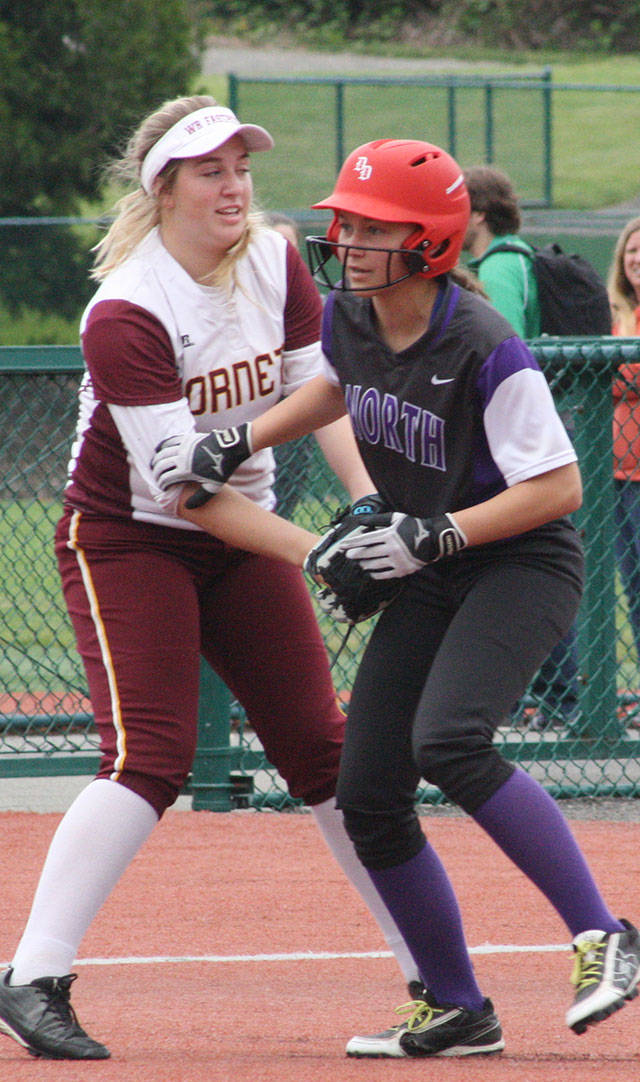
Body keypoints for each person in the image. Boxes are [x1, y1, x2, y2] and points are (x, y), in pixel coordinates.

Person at [154, 138, 640, 1058]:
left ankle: (604, 932)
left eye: (371, 226)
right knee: (369, 789)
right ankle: (457, 1007)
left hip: (519, 561)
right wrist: (237, 438)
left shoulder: (484, 345)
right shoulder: (354, 313)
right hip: (434, 562)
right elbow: (338, 387)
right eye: (345, 221)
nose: (345, 237)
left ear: (430, 243)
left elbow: (559, 490)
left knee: (449, 740)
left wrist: (439, 533)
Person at [0, 96, 423, 1062]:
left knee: (327, 754)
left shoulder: (274, 258)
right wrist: (318, 550)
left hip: (242, 535)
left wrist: (363, 504)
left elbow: (329, 391)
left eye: (241, 167)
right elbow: (186, 492)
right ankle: (32, 975)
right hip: (129, 537)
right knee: (151, 753)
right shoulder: (128, 310)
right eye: (209, 171)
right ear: (165, 189)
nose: (233, 186)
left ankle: (430, 970)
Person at [463, 164, 581, 732]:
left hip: (518, 445)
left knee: (528, 562)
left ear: (479, 214)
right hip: (533, 440)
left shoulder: (503, 265)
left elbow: (496, 344)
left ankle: (557, 697)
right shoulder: (510, 257)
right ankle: (549, 696)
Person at [608, 215, 640, 664]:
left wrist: (615, 373)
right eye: (632, 251)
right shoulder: (617, 312)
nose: (637, 260)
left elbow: (624, 375)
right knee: (633, 587)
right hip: (615, 473)